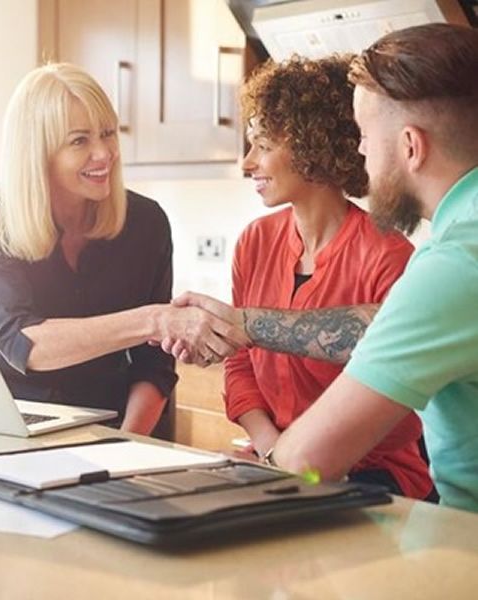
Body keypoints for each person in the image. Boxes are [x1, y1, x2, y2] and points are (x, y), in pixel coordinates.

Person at [170, 24, 478, 512]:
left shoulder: (454, 261)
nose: (358, 152)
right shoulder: (458, 246)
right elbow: (381, 326)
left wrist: (268, 462)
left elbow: (306, 460)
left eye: (365, 134)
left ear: (411, 146)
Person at [0, 63, 246, 435]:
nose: (104, 153)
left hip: (114, 426)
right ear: (38, 152)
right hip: (11, 425)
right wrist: (154, 319)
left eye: (108, 134)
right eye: (80, 140)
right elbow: (21, 341)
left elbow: (153, 364)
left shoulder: (146, 222)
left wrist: (126, 443)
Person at [223, 55, 432, 499]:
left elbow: (386, 400)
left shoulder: (388, 255)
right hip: (277, 463)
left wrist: (294, 464)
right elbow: (239, 363)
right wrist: (272, 451)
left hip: (377, 477)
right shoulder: (253, 243)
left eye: (262, 145)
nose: (247, 163)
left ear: (309, 144)